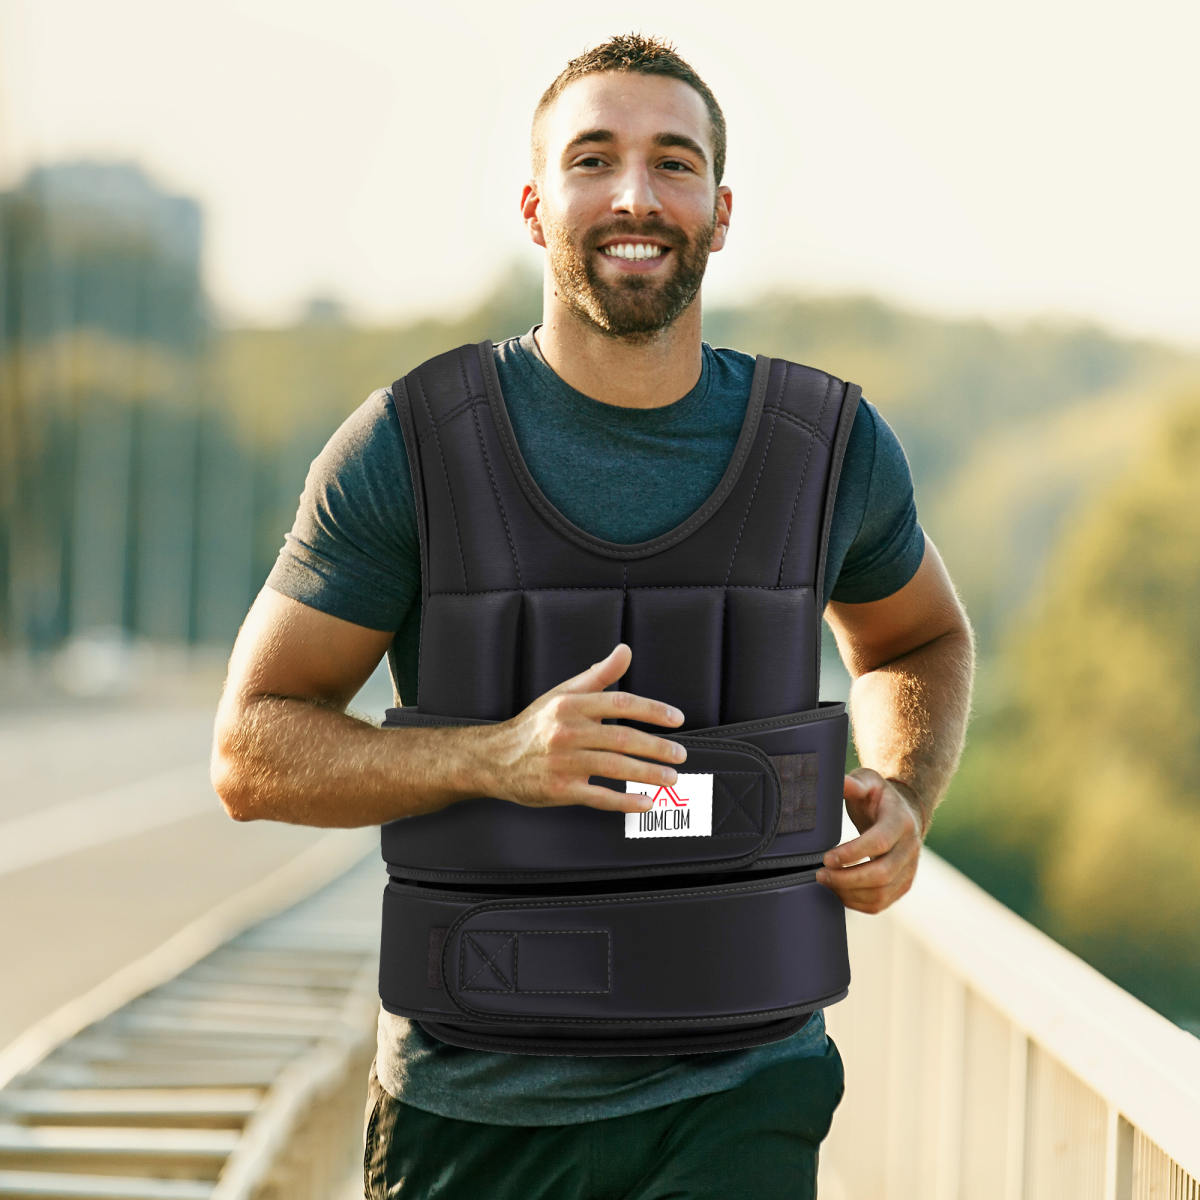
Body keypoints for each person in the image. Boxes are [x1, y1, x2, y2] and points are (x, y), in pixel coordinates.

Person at [212, 32, 974, 1200]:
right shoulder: (408, 447)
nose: (635, 195)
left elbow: (918, 638)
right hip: (476, 1110)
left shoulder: (830, 448)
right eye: (593, 159)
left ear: (721, 212)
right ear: (535, 205)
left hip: (745, 1093)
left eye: (675, 163)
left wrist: (909, 797)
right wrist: (495, 757)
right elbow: (250, 751)